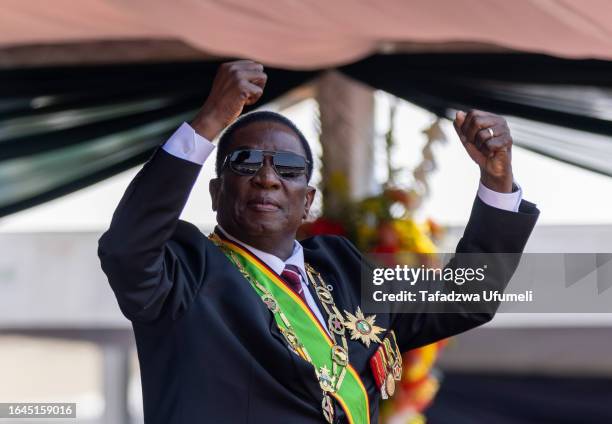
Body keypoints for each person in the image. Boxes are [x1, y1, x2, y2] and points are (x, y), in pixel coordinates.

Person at [98, 60, 539, 424]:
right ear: (216, 193)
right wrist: (210, 119)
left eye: (288, 167)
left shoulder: (343, 268)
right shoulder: (184, 271)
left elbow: (467, 296)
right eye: (246, 162)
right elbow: (126, 248)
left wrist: (497, 180)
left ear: (307, 201)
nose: (268, 177)